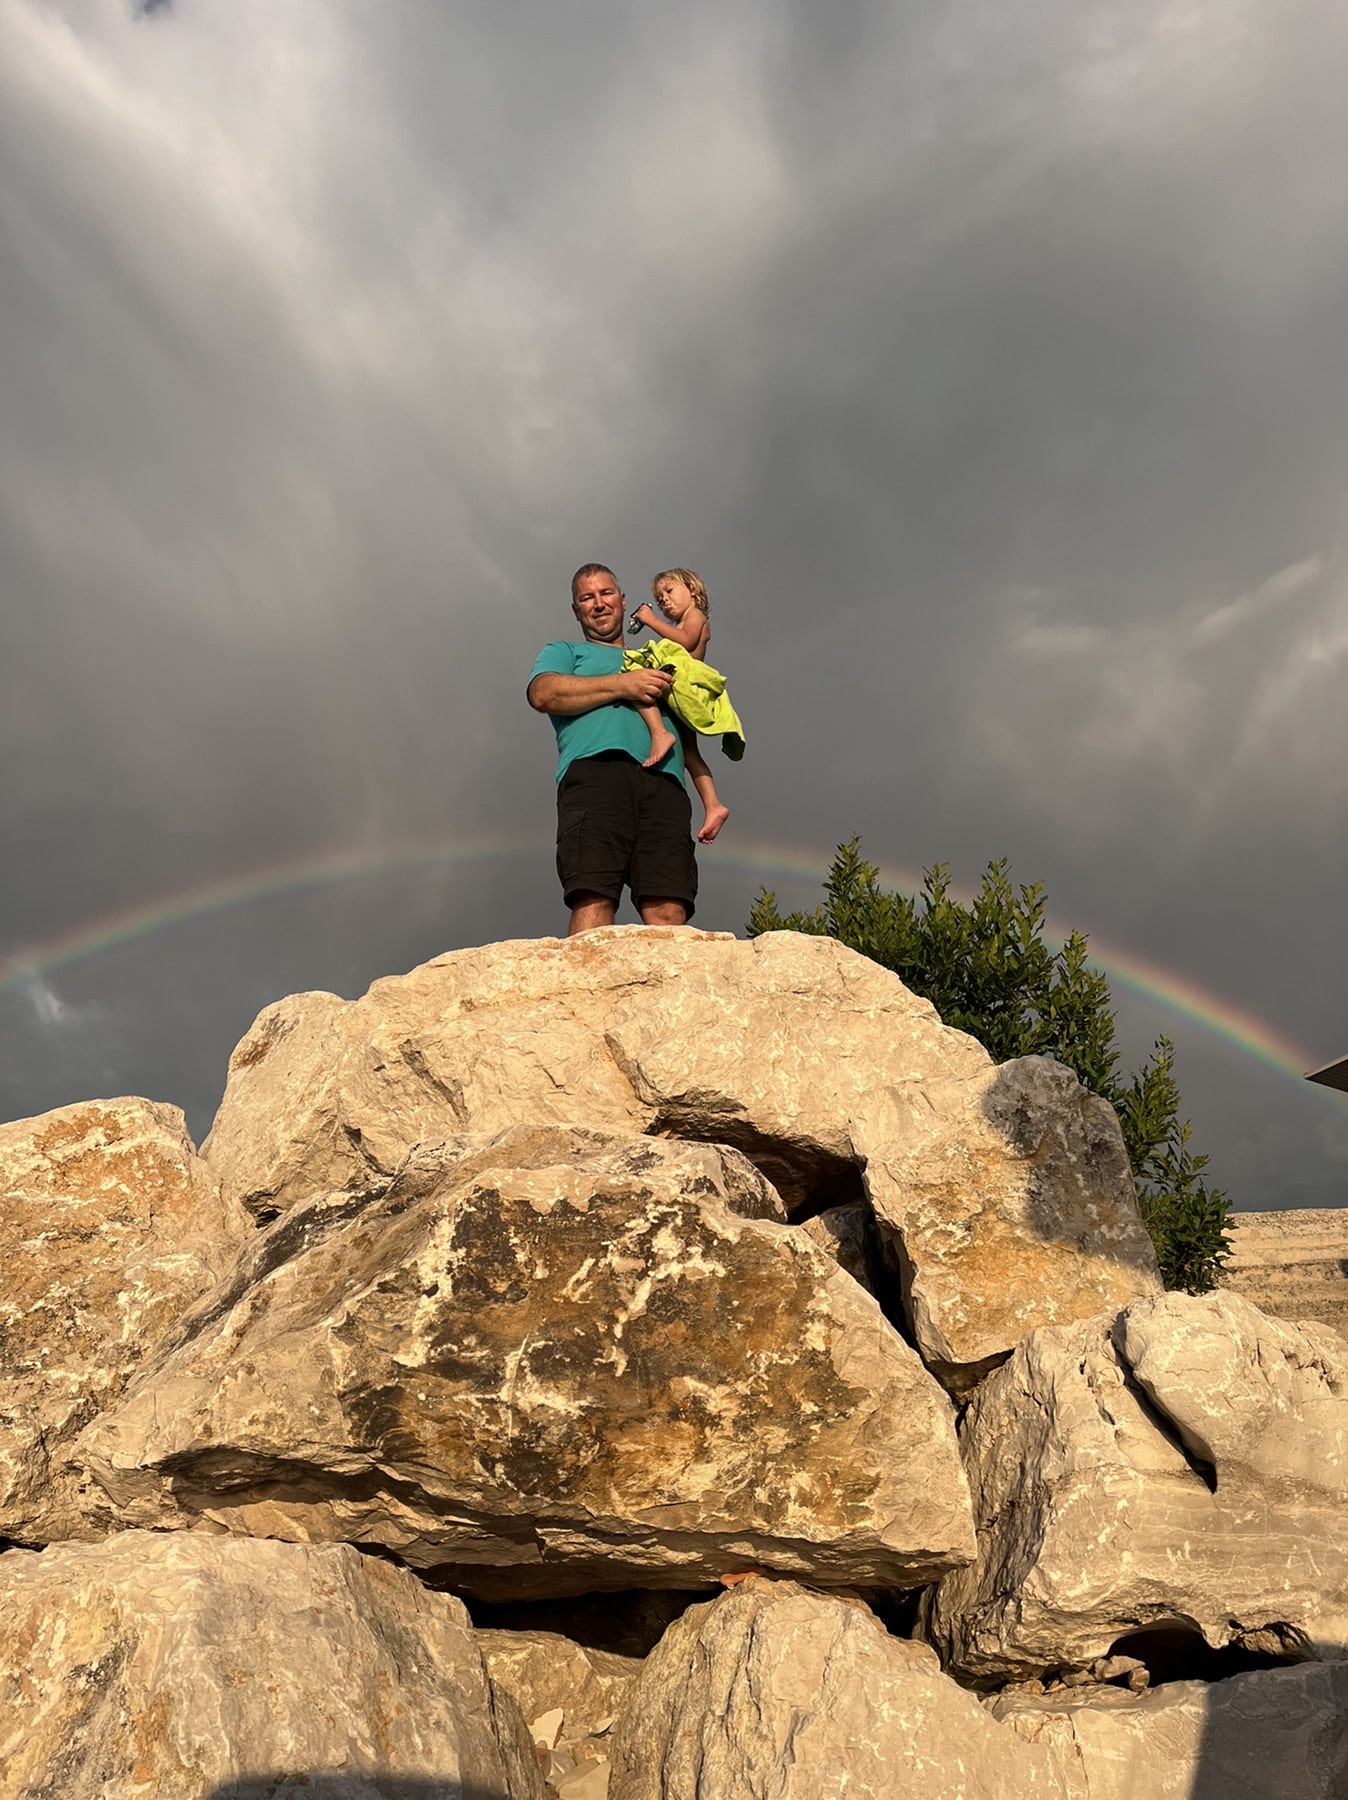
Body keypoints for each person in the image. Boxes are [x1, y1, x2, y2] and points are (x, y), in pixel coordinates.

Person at [528, 563, 697, 936]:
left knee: (668, 908)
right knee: (594, 895)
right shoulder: (565, 652)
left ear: (622, 601)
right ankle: (580, 992)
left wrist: (711, 797)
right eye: (587, 598)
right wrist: (625, 685)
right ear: (576, 610)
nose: (599, 604)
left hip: (666, 780)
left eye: (606, 594)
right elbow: (543, 693)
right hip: (595, 772)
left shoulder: (656, 655)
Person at [626, 567, 732, 844]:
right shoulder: (678, 624)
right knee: (690, 753)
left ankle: (660, 733)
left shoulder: (695, 616)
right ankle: (713, 805)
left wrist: (650, 621)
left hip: (685, 687)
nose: (664, 601)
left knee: (636, 681)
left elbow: (686, 641)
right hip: (682, 689)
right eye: (659, 599)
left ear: (693, 591)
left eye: (669, 592)